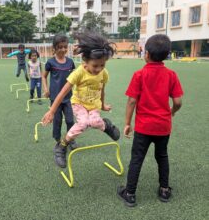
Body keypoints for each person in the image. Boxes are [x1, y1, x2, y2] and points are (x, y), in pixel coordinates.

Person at [117, 34, 183, 207]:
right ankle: (164, 190)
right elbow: (178, 102)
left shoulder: (139, 75)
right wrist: (172, 112)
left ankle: (130, 193)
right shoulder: (171, 75)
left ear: (146, 54)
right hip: (163, 126)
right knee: (162, 156)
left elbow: (132, 101)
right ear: (167, 54)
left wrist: (127, 123)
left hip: (144, 127)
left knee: (137, 158)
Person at [42, 32, 120, 168]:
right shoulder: (78, 72)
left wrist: (102, 105)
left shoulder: (103, 73)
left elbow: (102, 89)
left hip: (93, 105)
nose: (99, 69)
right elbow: (63, 92)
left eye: (103, 65)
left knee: (95, 122)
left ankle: (106, 125)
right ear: (85, 60)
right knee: (83, 123)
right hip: (78, 103)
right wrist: (52, 111)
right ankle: (62, 146)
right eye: (95, 66)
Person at [41, 34, 78, 162]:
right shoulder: (50, 62)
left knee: (69, 121)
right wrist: (46, 89)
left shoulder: (70, 62)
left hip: (68, 98)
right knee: (57, 122)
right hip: (55, 99)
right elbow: (44, 76)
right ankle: (58, 141)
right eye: (60, 47)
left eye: (65, 47)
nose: (63, 49)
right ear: (55, 48)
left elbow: (74, 78)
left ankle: (70, 140)